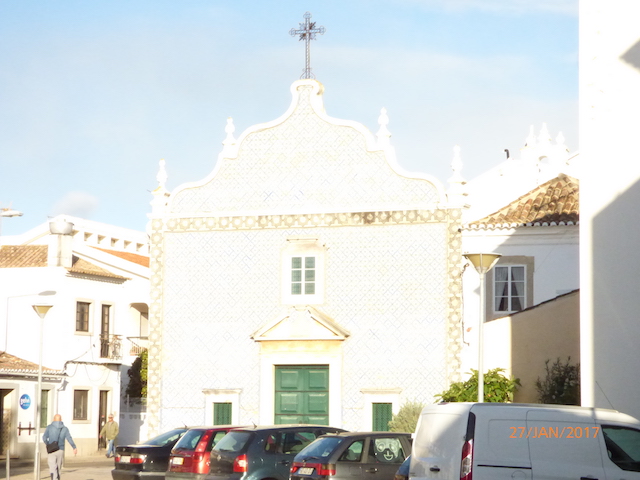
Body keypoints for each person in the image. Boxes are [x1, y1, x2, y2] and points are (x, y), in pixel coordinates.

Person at [42, 414, 77, 480]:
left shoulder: (49, 427)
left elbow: (44, 437)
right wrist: (74, 447)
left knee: (52, 467)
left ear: (53, 419)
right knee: (58, 468)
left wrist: (48, 444)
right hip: (60, 450)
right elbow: (69, 438)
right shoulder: (65, 429)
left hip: (51, 450)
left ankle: (54, 479)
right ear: (61, 420)